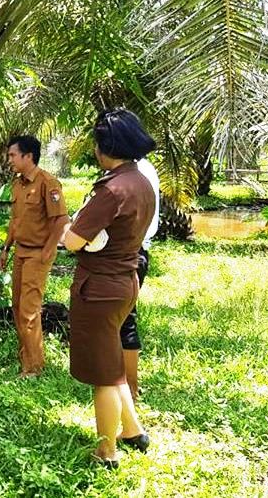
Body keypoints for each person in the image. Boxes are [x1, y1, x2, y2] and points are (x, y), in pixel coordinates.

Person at [62, 108, 156, 468]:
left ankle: (106, 452)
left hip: (98, 287)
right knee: (113, 361)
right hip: (125, 281)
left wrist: (69, 231)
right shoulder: (141, 182)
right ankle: (132, 431)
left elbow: (72, 241)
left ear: (105, 147)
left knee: (103, 374)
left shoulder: (111, 189)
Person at [0, 135, 68, 378]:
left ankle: (34, 367)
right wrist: (6, 248)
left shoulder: (48, 183)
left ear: (29, 156)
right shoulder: (17, 185)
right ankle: (25, 358)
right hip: (20, 252)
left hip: (38, 253)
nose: (9, 160)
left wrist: (48, 251)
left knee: (29, 310)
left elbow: (61, 220)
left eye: (13, 155)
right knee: (17, 307)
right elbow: (15, 221)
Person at [122, 157, 159, 400]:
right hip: (133, 252)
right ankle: (123, 382)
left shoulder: (134, 174)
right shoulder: (140, 171)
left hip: (129, 253)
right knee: (121, 319)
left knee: (125, 319)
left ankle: (131, 387)